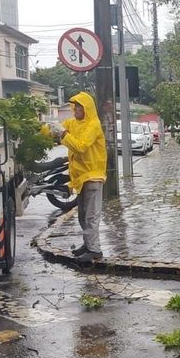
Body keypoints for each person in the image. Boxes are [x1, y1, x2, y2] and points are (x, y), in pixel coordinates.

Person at [51, 92, 107, 264]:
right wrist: (47, 128)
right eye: (75, 106)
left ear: (87, 108)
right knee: (82, 214)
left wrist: (62, 135)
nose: (75, 109)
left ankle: (94, 250)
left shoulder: (93, 125)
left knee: (91, 215)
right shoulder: (74, 123)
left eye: (79, 106)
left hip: (93, 175)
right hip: (82, 177)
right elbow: (62, 128)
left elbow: (80, 146)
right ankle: (88, 244)